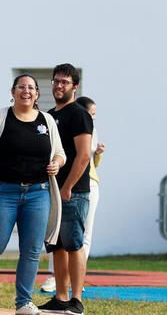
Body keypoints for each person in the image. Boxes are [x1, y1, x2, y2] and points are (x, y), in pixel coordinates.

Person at [0, 74, 66, 315]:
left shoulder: (47, 121)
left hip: (38, 194)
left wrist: (56, 164)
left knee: (31, 249)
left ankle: (23, 302)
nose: (26, 91)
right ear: (13, 91)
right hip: (3, 191)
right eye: (21, 87)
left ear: (37, 94)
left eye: (31, 88)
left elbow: (60, 153)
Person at [37, 65, 94, 315]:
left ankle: (77, 300)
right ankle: (60, 298)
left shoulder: (80, 115)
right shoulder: (49, 115)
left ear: (74, 86)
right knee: (57, 247)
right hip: (51, 192)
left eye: (65, 82)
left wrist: (68, 186)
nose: (59, 86)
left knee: (74, 244)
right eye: (56, 81)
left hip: (73, 191)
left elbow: (83, 156)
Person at [76, 96, 105, 260]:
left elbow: (93, 163)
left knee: (86, 232)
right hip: (71, 183)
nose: (93, 118)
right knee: (62, 233)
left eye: (94, 115)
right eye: (90, 114)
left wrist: (98, 154)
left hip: (91, 182)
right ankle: (56, 276)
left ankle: (78, 275)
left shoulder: (93, 130)